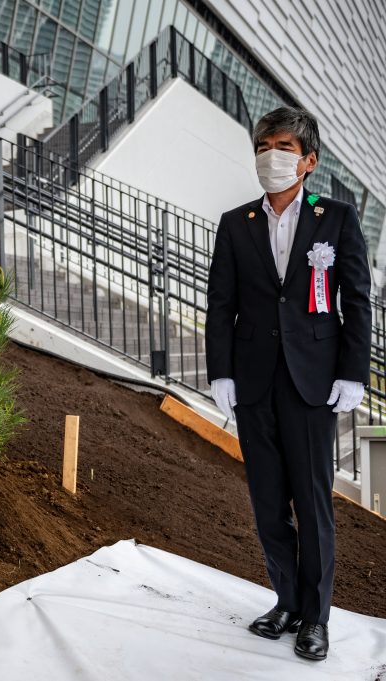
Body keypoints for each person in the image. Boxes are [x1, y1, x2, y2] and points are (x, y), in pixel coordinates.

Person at [205, 106, 372, 661]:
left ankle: (316, 618)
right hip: (253, 384)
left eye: (281, 146)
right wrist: (221, 371)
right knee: (268, 502)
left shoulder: (338, 218)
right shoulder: (236, 223)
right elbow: (221, 305)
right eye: (262, 146)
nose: (269, 156)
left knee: (313, 502)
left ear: (308, 161)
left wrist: (352, 373)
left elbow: (358, 303)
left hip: (312, 384)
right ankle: (287, 602)